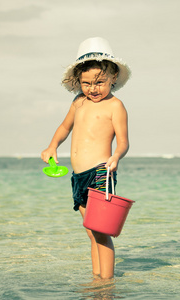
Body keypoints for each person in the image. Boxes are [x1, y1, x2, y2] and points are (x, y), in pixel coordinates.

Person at [41, 37, 131, 279]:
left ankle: (107, 284)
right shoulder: (78, 102)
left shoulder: (115, 106)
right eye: (87, 83)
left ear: (113, 77)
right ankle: (96, 279)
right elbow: (64, 127)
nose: (93, 89)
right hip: (79, 176)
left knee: (102, 231)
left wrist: (116, 156)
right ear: (78, 81)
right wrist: (52, 146)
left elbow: (123, 141)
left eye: (100, 82)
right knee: (91, 231)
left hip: (102, 171)